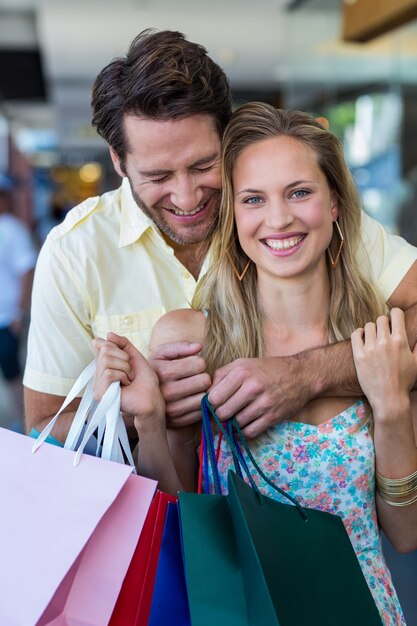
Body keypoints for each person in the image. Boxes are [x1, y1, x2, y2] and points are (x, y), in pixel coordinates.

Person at [93, 104, 417, 625]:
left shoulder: (377, 338)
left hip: (362, 611)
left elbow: (405, 534)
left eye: (299, 192)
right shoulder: (193, 337)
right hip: (243, 614)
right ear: (234, 217)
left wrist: (393, 403)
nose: (279, 218)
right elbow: (185, 526)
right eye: (253, 199)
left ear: (334, 203)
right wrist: (149, 421)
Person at [24, 28, 417, 443]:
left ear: (225, 138)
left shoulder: (289, 220)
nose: (187, 196)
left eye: (202, 165)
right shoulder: (76, 251)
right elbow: (43, 424)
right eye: (158, 175)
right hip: (151, 500)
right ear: (119, 161)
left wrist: (305, 375)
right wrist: (143, 414)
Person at [0, 175, 37, 426]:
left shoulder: (13, 229)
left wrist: (18, 314)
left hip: (6, 318)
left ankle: (24, 426)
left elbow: (26, 271)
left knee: (12, 374)